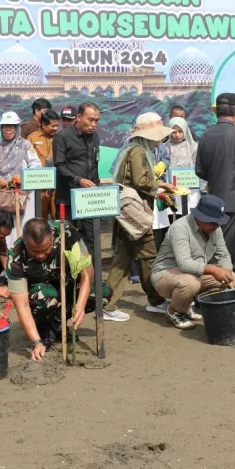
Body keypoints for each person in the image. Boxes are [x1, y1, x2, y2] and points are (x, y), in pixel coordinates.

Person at [104, 117, 173, 321]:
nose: (158, 141)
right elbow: (140, 181)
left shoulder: (131, 149)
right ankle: (156, 300)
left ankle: (108, 303)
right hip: (136, 213)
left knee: (123, 259)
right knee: (149, 254)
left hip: (129, 212)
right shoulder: (138, 151)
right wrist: (160, 186)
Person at [7, 217, 105, 357]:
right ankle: (42, 329)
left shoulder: (65, 231)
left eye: (45, 249)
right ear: (25, 242)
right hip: (41, 295)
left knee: (102, 292)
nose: (40, 255)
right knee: (43, 296)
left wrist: (81, 305)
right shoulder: (15, 255)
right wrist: (36, 342)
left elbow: (87, 269)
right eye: (34, 251)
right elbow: (21, 305)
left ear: (52, 238)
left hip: (66, 285)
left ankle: (58, 322)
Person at [195, 93, 235, 292]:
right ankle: (226, 287)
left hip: (212, 199)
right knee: (228, 247)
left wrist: (215, 177)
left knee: (225, 244)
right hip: (234, 200)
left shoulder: (206, 135)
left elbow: (199, 170)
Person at [151, 194, 235, 329]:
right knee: (190, 283)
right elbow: (184, 263)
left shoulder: (215, 229)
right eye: (213, 221)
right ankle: (174, 311)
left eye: (218, 222)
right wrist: (214, 269)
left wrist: (227, 271)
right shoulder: (180, 228)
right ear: (201, 217)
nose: (216, 225)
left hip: (195, 273)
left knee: (231, 277)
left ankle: (187, 305)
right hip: (165, 274)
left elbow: (223, 254)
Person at [0, 112, 43, 250]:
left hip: (22, 194)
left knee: (23, 227)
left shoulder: (26, 145)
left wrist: (23, 177)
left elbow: (36, 165)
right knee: (3, 229)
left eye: (11, 127)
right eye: (5, 127)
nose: (8, 130)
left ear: (17, 128)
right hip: (2, 194)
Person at [53, 102, 101, 252]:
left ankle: (91, 274)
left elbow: (94, 164)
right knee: (67, 238)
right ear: (78, 117)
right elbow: (59, 166)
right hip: (67, 197)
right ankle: (70, 274)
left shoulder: (95, 137)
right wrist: (78, 180)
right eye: (90, 119)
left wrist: (96, 187)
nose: (94, 124)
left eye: (96, 121)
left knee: (92, 237)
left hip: (89, 197)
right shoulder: (62, 137)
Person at [27, 109, 59, 219]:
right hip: (40, 186)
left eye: (57, 126)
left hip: (57, 185)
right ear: (44, 124)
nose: (55, 129)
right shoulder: (32, 138)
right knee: (40, 217)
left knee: (58, 218)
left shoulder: (60, 138)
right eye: (53, 126)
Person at [166, 116, 201, 207]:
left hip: (191, 189)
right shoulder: (164, 148)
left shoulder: (193, 147)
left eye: (180, 131)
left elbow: (199, 166)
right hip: (171, 188)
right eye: (174, 132)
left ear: (185, 131)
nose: (177, 135)